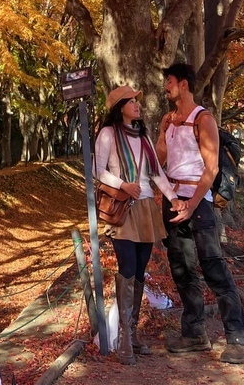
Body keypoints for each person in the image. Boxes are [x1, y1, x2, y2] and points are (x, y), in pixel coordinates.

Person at [156, 62, 244, 365]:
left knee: (213, 267)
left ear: (184, 84)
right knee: (181, 269)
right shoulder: (168, 120)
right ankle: (195, 332)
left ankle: (237, 336)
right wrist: (158, 134)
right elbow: (159, 159)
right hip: (172, 200)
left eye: (169, 81)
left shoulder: (203, 118)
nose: (166, 87)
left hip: (199, 203)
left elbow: (210, 169)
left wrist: (192, 204)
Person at [95, 84, 184, 364]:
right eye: (131, 101)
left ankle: (132, 333)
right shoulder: (108, 134)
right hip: (124, 208)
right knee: (127, 269)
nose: (137, 104)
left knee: (141, 271)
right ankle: (123, 339)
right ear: (120, 107)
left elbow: (157, 174)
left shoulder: (144, 136)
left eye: (137, 100)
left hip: (146, 208)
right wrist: (123, 184)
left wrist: (174, 198)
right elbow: (97, 171)